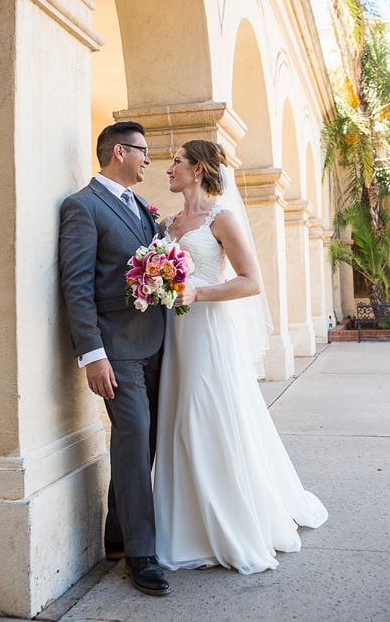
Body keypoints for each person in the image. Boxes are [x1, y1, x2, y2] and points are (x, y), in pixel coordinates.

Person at [154, 140, 328, 574]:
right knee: (175, 420)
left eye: (176, 161)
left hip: (206, 332)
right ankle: (182, 524)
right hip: (172, 333)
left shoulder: (221, 218)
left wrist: (198, 292)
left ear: (198, 169)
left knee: (201, 417)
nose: (168, 167)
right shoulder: (166, 222)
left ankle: (226, 523)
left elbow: (251, 282)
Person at [58, 121, 170, 596]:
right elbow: (76, 287)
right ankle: (142, 555)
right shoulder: (82, 207)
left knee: (144, 445)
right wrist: (93, 355)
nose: (149, 159)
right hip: (116, 352)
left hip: (157, 343)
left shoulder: (143, 207)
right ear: (119, 152)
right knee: (132, 439)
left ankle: (119, 538)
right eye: (143, 151)